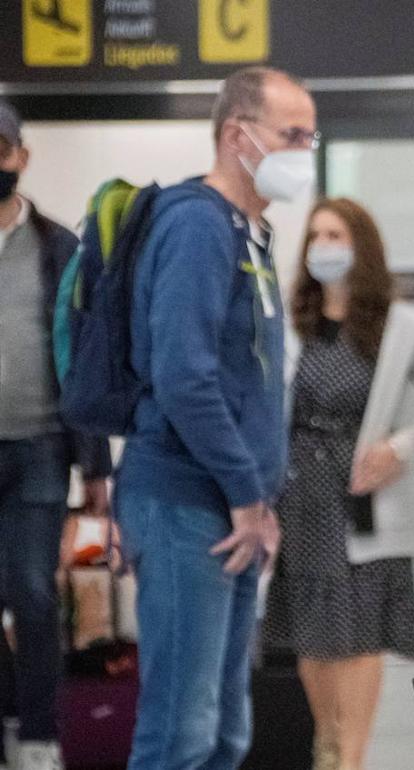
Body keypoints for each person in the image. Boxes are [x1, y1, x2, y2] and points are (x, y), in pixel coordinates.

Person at [113, 67, 316, 769]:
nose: (305, 151)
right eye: (293, 135)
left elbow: (249, 383)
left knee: (226, 733)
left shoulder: (249, 231)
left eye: (311, 137)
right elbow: (185, 379)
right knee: (180, 735)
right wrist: (244, 494)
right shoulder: (197, 224)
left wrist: (261, 496)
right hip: (184, 504)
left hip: (230, 507)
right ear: (238, 134)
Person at [263, 198, 414, 770]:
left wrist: (399, 448)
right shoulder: (292, 323)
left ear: (361, 247)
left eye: (336, 235)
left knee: (358, 634)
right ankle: (326, 742)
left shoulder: (399, 328)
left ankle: (351, 758)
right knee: (310, 636)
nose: (324, 246)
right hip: (299, 499)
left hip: (363, 502)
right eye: (316, 235)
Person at [0, 99, 112, 770]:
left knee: (34, 592)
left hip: (41, 446)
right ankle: (9, 714)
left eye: (0, 148)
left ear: (20, 156)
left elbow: (85, 357)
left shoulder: (58, 246)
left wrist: (96, 465)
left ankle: (39, 736)